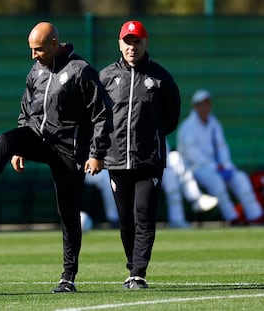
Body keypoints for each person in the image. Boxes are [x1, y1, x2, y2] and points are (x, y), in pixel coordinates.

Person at [0, 22, 113, 293]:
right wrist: (19, 148)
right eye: (31, 50)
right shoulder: (36, 69)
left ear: (54, 43)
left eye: (37, 49)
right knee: (5, 140)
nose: (33, 55)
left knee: (68, 212)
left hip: (69, 151)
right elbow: (26, 109)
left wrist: (97, 153)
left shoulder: (80, 71)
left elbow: (102, 113)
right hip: (38, 138)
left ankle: (68, 277)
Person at [99, 20, 181, 289]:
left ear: (146, 43)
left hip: (149, 160)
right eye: (127, 41)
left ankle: (138, 273)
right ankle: (131, 266)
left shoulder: (161, 78)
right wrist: (98, 151)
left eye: (137, 41)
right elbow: (97, 117)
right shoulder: (106, 77)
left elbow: (171, 118)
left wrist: (152, 138)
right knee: (125, 219)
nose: (132, 47)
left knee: (144, 214)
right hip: (116, 159)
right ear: (119, 43)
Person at [177, 89, 264, 226]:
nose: (205, 107)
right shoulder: (187, 127)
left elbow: (222, 147)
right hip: (196, 168)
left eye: (208, 104)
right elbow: (193, 155)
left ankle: (256, 216)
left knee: (240, 178)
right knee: (216, 182)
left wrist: (226, 165)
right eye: (202, 104)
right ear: (196, 106)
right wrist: (215, 167)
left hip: (218, 167)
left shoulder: (214, 123)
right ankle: (233, 218)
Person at [162, 141, 218, 228]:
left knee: (176, 157)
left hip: (164, 166)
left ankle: (195, 199)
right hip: (147, 169)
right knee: (170, 179)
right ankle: (194, 200)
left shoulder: (157, 130)